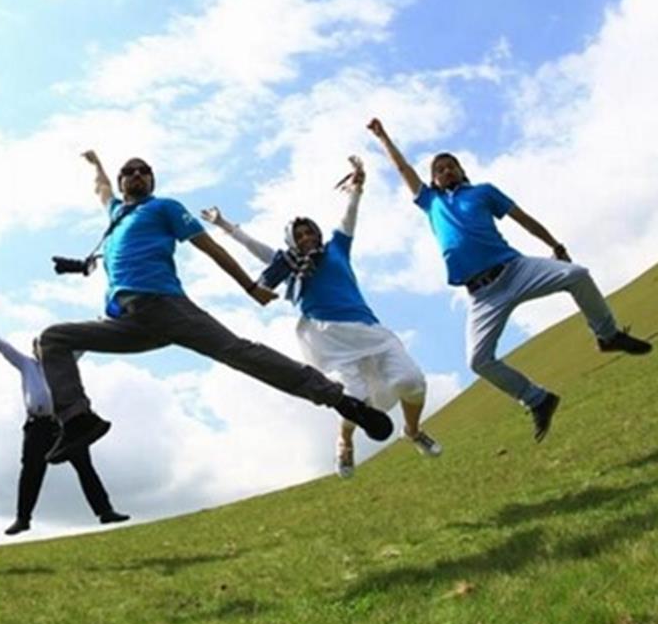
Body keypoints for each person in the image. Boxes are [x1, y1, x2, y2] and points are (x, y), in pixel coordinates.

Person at [37, 151, 395, 463]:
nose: (136, 175)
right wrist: (96, 163)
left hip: (165, 306)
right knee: (53, 338)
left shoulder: (164, 208)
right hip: (129, 322)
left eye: (143, 171)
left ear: (152, 180)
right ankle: (78, 419)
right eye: (129, 171)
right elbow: (101, 188)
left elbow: (210, 248)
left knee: (238, 352)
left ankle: (342, 402)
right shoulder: (116, 214)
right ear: (121, 181)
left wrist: (251, 286)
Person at [367, 117, 651, 442]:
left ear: (461, 171)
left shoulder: (483, 192)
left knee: (577, 275)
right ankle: (538, 399)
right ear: (433, 180)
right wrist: (382, 137)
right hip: (482, 295)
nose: (446, 171)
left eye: (451, 166)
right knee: (478, 361)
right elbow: (403, 169)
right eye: (440, 170)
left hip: (515, 270)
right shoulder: (431, 202)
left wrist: (555, 246)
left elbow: (522, 218)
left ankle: (607, 335)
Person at [202, 156, 441, 480]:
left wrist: (356, 188)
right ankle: (345, 443)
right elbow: (252, 246)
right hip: (329, 339)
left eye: (309, 232)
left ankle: (412, 431)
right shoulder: (286, 265)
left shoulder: (337, 248)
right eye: (298, 235)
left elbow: (349, 216)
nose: (305, 238)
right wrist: (223, 224)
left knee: (411, 381)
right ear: (291, 240)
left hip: (369, 330)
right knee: (354, 398)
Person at [0, 314, 129, 534]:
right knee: (31, 471)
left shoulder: (63, 362)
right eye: (38, 347)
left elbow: (83, 344)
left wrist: (101, 324)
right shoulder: (27, 365)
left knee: (85, 466)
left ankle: (105, 511)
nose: (42, 350)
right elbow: (5, 349)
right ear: (34, 350)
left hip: (65, 424)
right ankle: (22, 518)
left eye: (45, 347)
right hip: (37, 426)